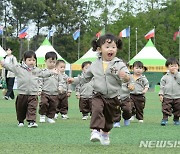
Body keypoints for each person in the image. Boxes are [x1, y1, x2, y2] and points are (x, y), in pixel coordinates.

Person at [68, 34, 130, 145]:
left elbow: (127, 77)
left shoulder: (119, 63)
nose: (110, 49)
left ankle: (105, 134)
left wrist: (125, 76)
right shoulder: (94, 64)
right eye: (107, 47)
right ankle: (95, 131)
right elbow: (85, 77)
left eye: (113, 47)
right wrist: (74, 80)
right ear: (99, 49)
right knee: (96, 110)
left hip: (113, 96)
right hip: (98, 94)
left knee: (109, 118)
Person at [0, 50, 53, 128]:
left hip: (33, 94)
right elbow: (10, 67)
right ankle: (20, 121)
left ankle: (31, 122)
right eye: (29, 60)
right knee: (20, 109)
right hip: (22, 94)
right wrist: (3, 63)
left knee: (32, 108)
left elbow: (44, 73)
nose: (32, 62)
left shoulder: (37, 70)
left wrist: (51, 72)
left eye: (33, 60)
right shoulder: (19, 68)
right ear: (24, 60)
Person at [39, 52, 61, 124]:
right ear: (45, 61)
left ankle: (50, 117)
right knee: (44, 103)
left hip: (54, 93)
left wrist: (60, 87)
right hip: (45, 92)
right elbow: (40, 81)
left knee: (53, 106)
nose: (52, 63)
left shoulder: (58, 72)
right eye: (50, 62)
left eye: (54, 62)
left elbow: (61, 81)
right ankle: (42, 115)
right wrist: (39, 89)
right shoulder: (43, 72)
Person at [159, 57, 180, 126]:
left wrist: (176, 74)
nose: (173, 67)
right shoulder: (165, 77)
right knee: (165, 108)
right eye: (171, 66)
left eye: (175, 66)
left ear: (178, 67)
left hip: (178, 96)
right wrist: (161, 94)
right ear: (167, 67)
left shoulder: (179, 75)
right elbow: (162, 87)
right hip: (167, 96)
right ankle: (164, 119)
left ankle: (176, 119)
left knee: (178, 108)